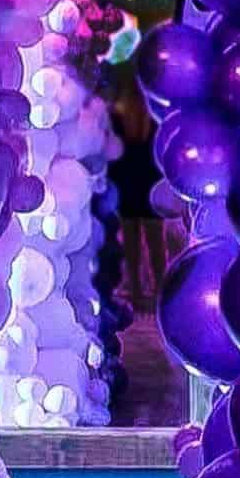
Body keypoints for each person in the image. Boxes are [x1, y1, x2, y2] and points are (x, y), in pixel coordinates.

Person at [109, 89, 163, 312]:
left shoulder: (117, 116)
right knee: (154, 241)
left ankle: (137, 289)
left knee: (132, 243)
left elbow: (114, 154)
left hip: (128, 182)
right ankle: (159, 288)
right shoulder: (153, 118)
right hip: (148, 182)